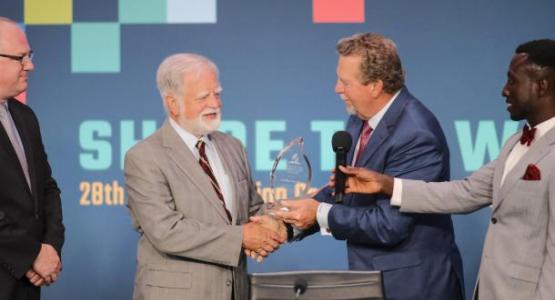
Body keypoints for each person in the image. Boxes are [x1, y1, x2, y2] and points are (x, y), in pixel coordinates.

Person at [334, 39, 555, 300]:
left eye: (513, 81)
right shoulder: (514, 143)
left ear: (542, 85)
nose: (505, 91)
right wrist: (388, 185)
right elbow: (466, 192)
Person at [276, 32, 464, 299]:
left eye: (345, 82)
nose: (337, 89)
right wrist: (288, 224)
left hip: (414, 286)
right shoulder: (360, 118)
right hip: (372, 279)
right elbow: (344, 188)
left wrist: (318, 212)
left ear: (375, 86)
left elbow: (389, 225)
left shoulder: (416, 134)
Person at [124, 53, 286, 300]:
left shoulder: (233, 147)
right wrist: (242, 237)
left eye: (217, 93)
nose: (215, 103)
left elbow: (253, 210)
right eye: (203, 97)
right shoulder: (144, 156)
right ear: (172, 104)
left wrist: (287, 218)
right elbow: (166, 231)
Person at [0, 17, 65, 300]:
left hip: (27, 283)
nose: (30, 65)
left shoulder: (24, 116)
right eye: (21, 58)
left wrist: (50, 246)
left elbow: (46, 187)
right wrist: (31, 254)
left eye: (30, 56)